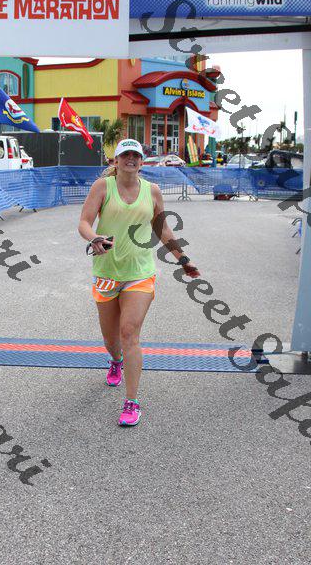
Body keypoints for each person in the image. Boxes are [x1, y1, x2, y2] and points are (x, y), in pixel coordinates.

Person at [78, 139, 200, 427]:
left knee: (129, 333)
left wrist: (183, 260)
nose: (130, 159)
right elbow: (84, 222)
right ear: (116, 161)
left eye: (136, 155)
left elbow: (162, 228)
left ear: (142, 162)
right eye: (125, 155)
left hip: (140, 273)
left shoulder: (152, 191)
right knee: (111, 341)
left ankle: (131, 401)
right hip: (107, 273)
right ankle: (115, 361)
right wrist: (94, 238)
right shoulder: (102, 187)